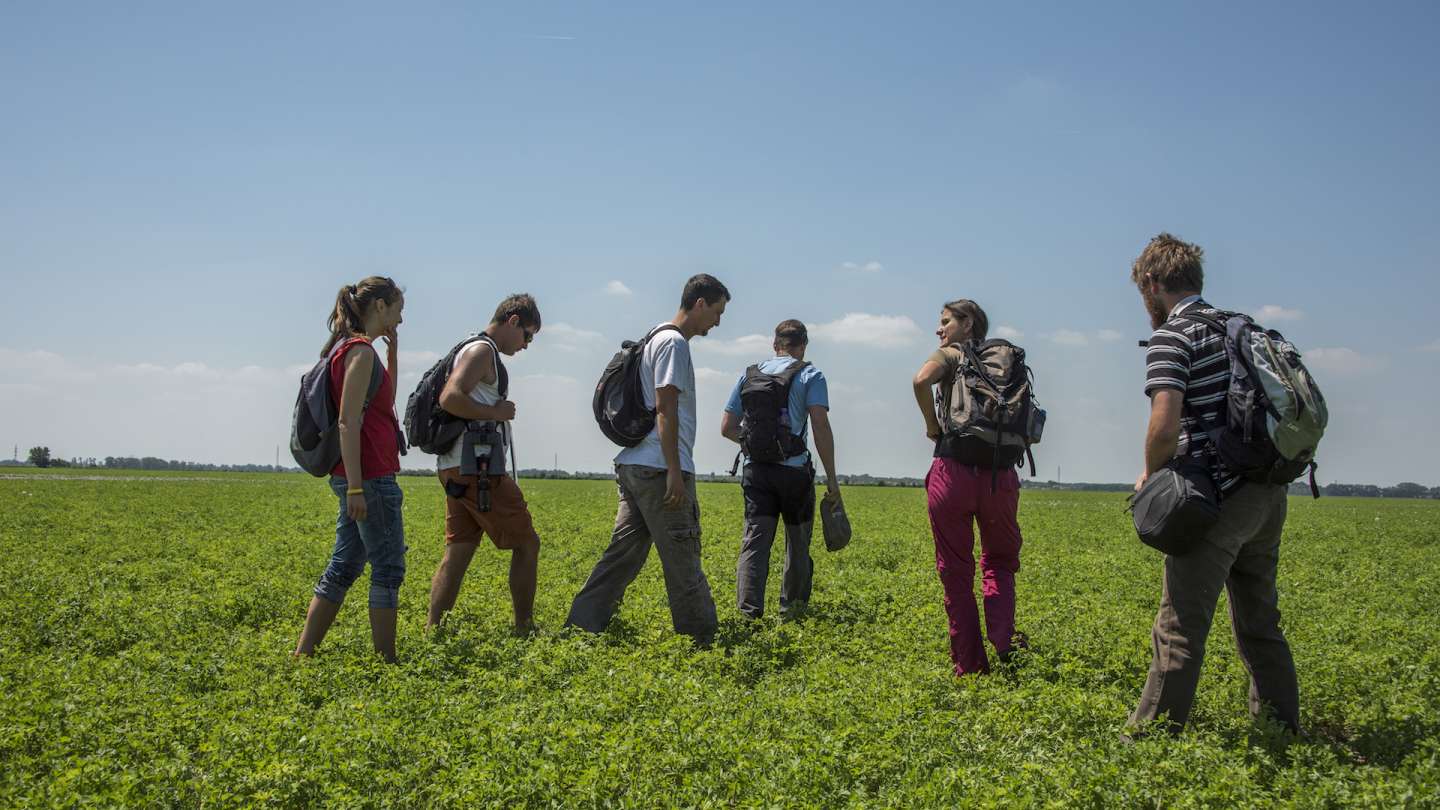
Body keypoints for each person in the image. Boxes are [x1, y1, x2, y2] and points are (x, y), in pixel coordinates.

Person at [1127, 233, 1300, 734]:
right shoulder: (1239, 327)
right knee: (1260, 623)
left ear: (1153, 285)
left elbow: (1163, 422)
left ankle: (1152, 742)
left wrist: (1151, 477)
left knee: (1178, 627)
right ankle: (1280, 727)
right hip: (1267, 495)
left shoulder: (1173, 336)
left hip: (1214, 499)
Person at [566, 274, 729, 644]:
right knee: (683, 558)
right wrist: (674, 469)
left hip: (636, 463)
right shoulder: (673, 343)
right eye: (717, 312)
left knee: (621, 555)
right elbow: (665, 407)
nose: (717, 322)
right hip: (658, 468)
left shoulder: (654, 336)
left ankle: (580, 628)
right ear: (699, 303)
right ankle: (702, 641)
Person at [294, 276, 407, 662]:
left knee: (344, 565)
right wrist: (357, 488)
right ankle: (386, 663)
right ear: (380, 307)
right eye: (397, 310)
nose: (400, 319)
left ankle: (304, 653)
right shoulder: (358, 353)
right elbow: (347, 422)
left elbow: (381, 402)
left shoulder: (355, 351)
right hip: (369, 477)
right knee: (388, 567)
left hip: (361, 477)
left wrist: (391, 356)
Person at [911, 299, 1026, 676]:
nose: (940, 330)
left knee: (956, 572)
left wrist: (931, 424)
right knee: (1000, 562)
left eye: (945, 322)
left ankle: (971, 665)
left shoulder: (952, 354)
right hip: (1001, 475)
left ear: (968, 323)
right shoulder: (1005, 359)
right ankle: (1005, 640)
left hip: (952, 471)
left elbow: (920, 380)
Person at [426, 294, 543, 636]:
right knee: (527, 543)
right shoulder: (482, 351)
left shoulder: (470, 347)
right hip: (477, 468)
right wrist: (496, 413)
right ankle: (524, 628)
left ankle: (434, 633)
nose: (527, 345)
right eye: (528, 335)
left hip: (454, 466)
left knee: (459, 550)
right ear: (513, 321)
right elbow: (450, 397)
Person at [720, 319, 839, 620]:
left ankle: (748, 615)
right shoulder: (810, 374)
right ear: (803, 346)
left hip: (756, 471)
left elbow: (727, 428)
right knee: (797, 543)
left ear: (775, 345)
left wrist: (755, 446)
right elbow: (820, 426)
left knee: (755, 541)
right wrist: (832, 480)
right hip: (794, 472)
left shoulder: (749, 375)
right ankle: (791, 612)